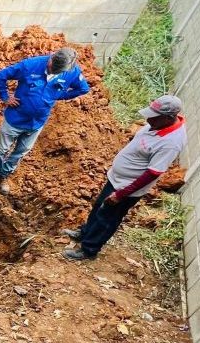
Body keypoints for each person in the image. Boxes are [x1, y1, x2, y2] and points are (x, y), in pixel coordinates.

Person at [61, 95, 187, 261]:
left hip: (127, 187)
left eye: (154, 116)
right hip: (117, 178)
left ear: (168, 117)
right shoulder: (157, 124)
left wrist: (121, 194)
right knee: (99, 206)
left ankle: (88, 249)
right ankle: (85, 233)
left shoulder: (171, 143)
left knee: (107, 218)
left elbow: (153, 173)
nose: (149, 119)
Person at [0, 47, 90, 194]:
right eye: (52, 65)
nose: (52, 69)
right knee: (1, 150)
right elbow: (1, 76)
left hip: (36, 123)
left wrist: (60, 96)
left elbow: (83, 89)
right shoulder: (30, 65)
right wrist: (5, 97)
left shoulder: (72, 72)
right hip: (15, 118)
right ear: (52, 56)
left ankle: (3, 177)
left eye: (57, 71)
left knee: (20, 152)